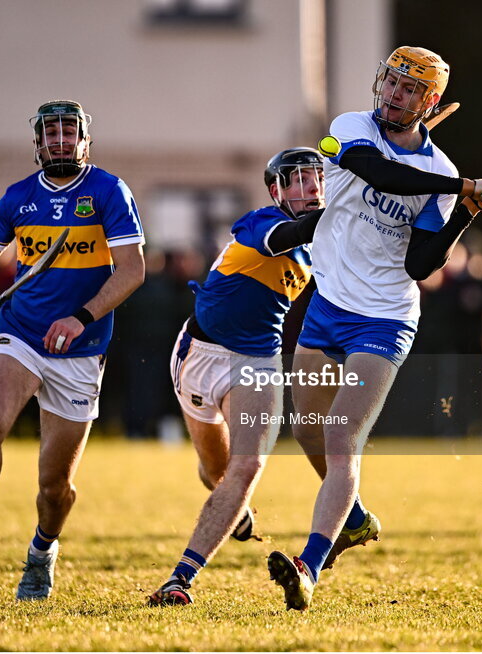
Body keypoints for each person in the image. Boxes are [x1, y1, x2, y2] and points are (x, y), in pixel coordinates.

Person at [267, 46, 482, 610]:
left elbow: (419, 266)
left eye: (408, 90)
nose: (394, 95)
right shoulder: (348, 129)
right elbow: (379, 173)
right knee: (306, 432)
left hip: (385, 316)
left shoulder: (440, 171)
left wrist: (469, 209)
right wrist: (464, 188)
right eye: (391, 83)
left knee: (341, 439)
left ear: (429, 102)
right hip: (328, 304)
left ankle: (309, 566)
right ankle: (351, 519)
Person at [0, 100, 145, 600]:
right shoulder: (18, 198)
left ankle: (42, 554)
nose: (61, 141)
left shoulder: (109, 191)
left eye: (70, 133)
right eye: (52, 134)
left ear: (85, 141)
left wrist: (80, 317)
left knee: (54, 486)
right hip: (20, 333)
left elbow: (132, 270)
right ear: (38, 144)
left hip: (82, 345)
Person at [147, 148, 326, 606]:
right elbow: (295, 231)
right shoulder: (262, 222)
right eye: (298, 180)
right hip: (200, 354)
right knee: (216, 470)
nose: (311, 188)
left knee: (246, 467)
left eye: (317, 180)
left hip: (259, 363)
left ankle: (179, 579)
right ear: (276, 191)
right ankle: (236, 512)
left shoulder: (324, 241)